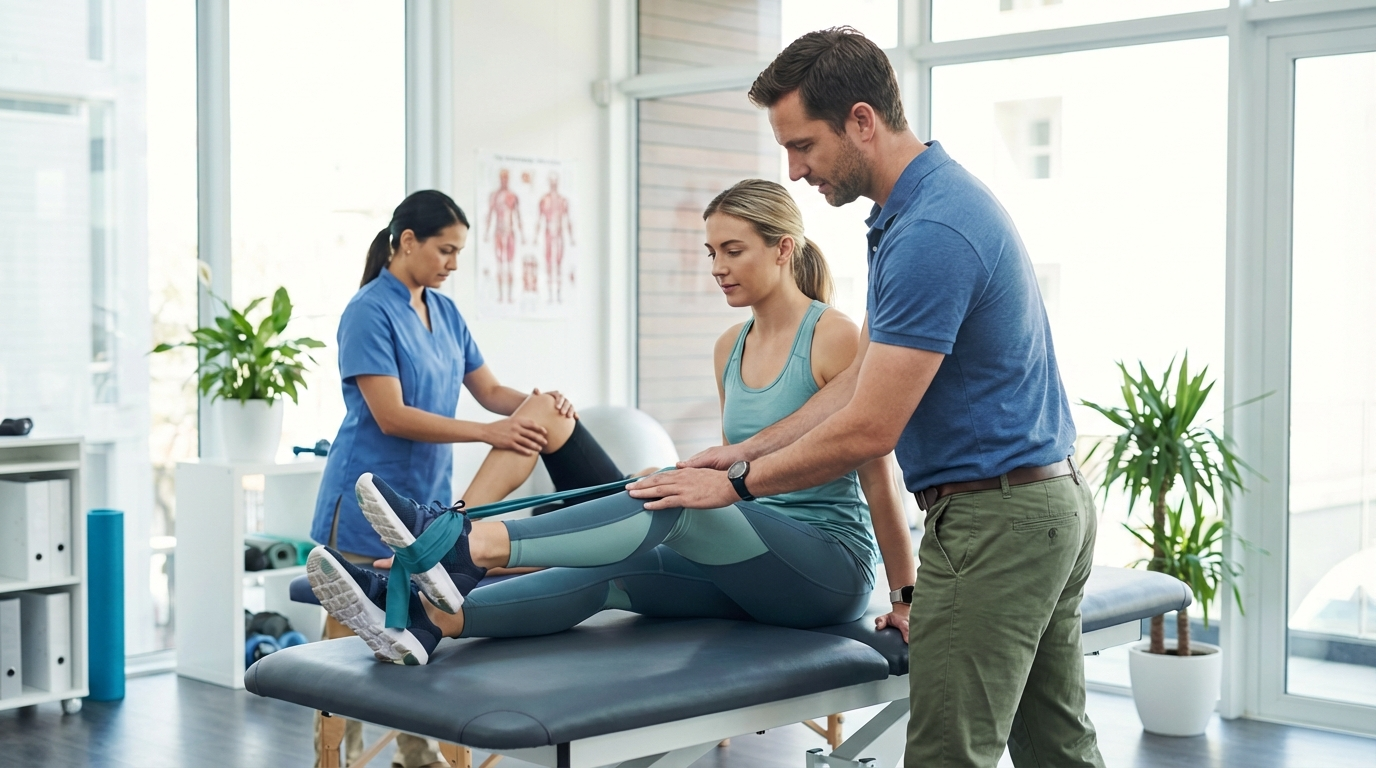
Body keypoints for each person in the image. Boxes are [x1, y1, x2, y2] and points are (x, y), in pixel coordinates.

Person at [626, 28, 1105, 768]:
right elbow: (862, 381)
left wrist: (738, 484)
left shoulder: (932, 232)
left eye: (804, 145)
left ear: (861, 120)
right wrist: (749, 448)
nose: (794, 170)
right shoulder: (913, 214)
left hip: (997, 521)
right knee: (1057, 748)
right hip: (1035, 508)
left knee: (949, 754)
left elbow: (870, 429)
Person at [306, 179, 916, 672]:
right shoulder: (730, 346)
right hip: (750, 565)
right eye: (711, 252)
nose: (717, 267)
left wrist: (903, 596)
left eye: (734, 251)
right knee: (611, 573)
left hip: (825, 569)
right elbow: (736, 467)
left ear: (784, 248)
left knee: (672, 498)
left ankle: (464, 545)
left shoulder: (834, 337)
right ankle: (432, 623)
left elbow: (876, 471)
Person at [307, 189, 625, 768]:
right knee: (351, 628)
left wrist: (537, 402)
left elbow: (489, 392)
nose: (453, 263)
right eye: (446, 250)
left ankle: (416, 749)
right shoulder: (367, 311)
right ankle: (338, 750)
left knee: (411, 609)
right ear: (406, 242)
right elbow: (391, 415)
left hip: (424, 495)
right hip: (363, 492)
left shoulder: (444, 311)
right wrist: (488, 434)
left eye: (459, 252)